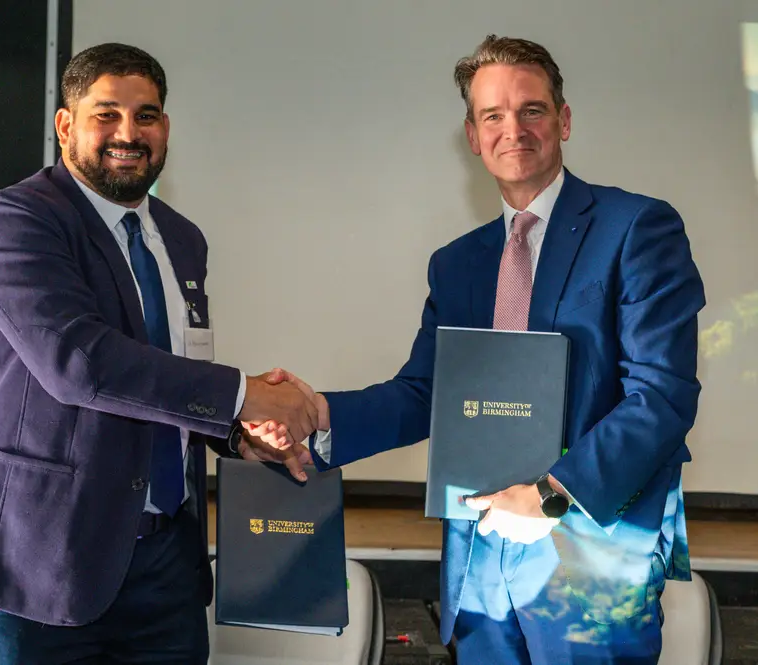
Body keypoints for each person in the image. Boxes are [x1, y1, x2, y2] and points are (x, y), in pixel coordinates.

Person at [256, 35, 705, 664]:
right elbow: (425, 394)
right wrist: (314, 415)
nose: (512, 129)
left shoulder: (636, 228)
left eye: (531, 110)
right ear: (472, 135)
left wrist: (551, 493)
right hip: (479, 560)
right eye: (492, 115)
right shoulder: (459, 263)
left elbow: (662, 397)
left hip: (593, 553)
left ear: (564, 120)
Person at [0, 42, 314, 665]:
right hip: (36, 563)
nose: (128, 133)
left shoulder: (182, 239)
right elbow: (78, 363)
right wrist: (245, 394)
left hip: (166, 569)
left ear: (166, 127)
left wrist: (234, 433)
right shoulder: (12, 221)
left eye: (147, 115)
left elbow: (174, 365)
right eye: (106, 114)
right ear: (65, 126)